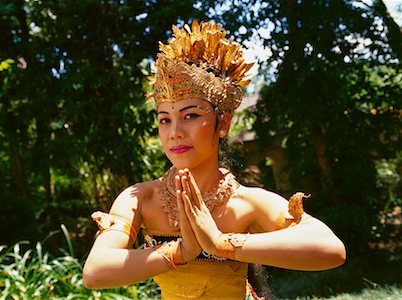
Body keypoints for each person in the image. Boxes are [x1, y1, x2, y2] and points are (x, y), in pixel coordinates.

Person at [82, 20, 346, 299]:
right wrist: (181, 251)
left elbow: (331, 250)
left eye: (191, 115)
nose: (174, 133)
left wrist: (221, 242)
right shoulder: (141, 198)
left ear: (223, 124)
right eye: (164, 119)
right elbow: (96, 271)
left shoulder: (246, 203)